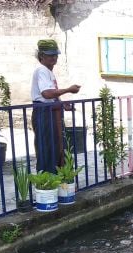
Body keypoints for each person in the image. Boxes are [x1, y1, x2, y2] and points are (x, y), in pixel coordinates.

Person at [31, 39, 80, 174]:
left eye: (55, 55)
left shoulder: (48, 72)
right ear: (41, 56)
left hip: (51, 112)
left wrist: (62, 103)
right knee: (47, 147)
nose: (54, 57)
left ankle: (58, 179)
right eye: (50, 55)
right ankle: (47, 180)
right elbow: (46, 94)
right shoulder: (41, 71)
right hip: (44, 113)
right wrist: (68, 90)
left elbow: (52, 93)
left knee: (57, 146)